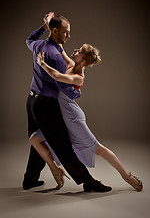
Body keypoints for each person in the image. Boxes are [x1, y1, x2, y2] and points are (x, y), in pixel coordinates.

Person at [29, 17, 143, 192]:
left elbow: (58, 77)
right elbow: (60, 47)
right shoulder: (71, 64)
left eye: (79, 51)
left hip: (73, 119)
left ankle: (128, 177)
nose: (75, 50)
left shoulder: (78, 76)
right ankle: (55, 169)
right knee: (35, 139)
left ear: (82, 61)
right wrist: (50, 26)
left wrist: (42, 63)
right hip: (61, 115)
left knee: (100, 149)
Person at [23, 12, 112, 193]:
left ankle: (30, 179)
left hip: (31, 101)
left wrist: (43, 27)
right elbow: (61, 84)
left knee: (41, 139)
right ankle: (88, 182)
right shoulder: (55, 56)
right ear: (55, 31)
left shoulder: (40, 45)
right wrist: (76, 91)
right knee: (62, 144)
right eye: (66, 32)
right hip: (46, 106)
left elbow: (29, 40)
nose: (69, 36)